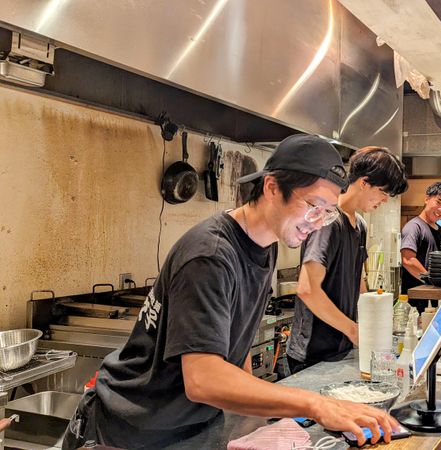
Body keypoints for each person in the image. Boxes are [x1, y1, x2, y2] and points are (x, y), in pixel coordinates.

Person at [64, 134, 397, 449]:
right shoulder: (210, 255)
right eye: (313, 206)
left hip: (188, 427)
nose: (316, 222)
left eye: (326, 213)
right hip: (127, 431)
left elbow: (238, 343)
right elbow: (203, 379)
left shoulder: (266, 245)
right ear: (271, 187)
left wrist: (253, 419)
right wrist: (315, 404)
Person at [287, 147, 407, 373]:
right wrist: (353, 330)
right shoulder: (329, 222)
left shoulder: (360, 225)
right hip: (313, 354)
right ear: (364, 183)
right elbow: (307, 289)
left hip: (341, 349)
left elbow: (356, 277)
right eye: (383, 192)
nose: (385, 200)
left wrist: (373, 317)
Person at [400, 182, 441, 305]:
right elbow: (408, 260)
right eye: (438, 202)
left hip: (435, 297)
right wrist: (430, 282)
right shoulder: (414, 227)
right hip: (415, 301)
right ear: (426, 199)